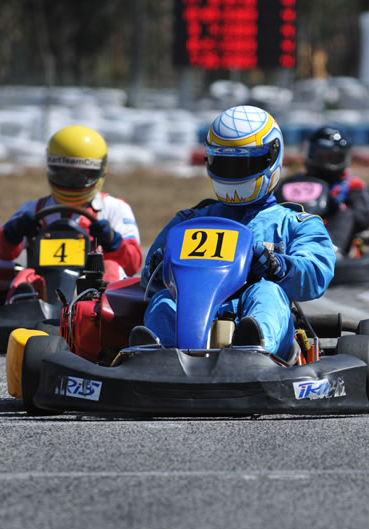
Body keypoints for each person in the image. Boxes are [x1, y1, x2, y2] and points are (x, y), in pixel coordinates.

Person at [138, 105, 335, 364]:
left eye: (245, 163)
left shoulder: (296, 223)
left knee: (266, 292)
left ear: (271, 157)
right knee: (165, 299)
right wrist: (159, 267)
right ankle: (156, 357)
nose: (234, 172)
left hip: (256, 315)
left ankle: (255, 349)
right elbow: (148, 282)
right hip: (195, 311)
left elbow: (316, 273)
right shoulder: (192, 220)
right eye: (226, 163)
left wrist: (278, 266)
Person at [0, 125, 141, 284]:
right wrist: (14, 231)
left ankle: (99, 307)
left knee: (111, 268)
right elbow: (3, 253)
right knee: (24, 276)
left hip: (92, 290)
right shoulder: (34, 210)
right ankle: (21, 306)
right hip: (45, 288)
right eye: (64, 173)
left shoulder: (114, 209)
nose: (71, 181)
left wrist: (112, 241)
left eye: (82, 174)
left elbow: (133, 264)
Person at [298, 125, 369, 257]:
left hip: (333, 233)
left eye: (332, 157)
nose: (325, 161)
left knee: (346, 214)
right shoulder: (296, 182)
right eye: (321, 155)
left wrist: (334, 205)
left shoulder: (353, 185)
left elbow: (364, 218)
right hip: (299, 229)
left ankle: (330, 254)